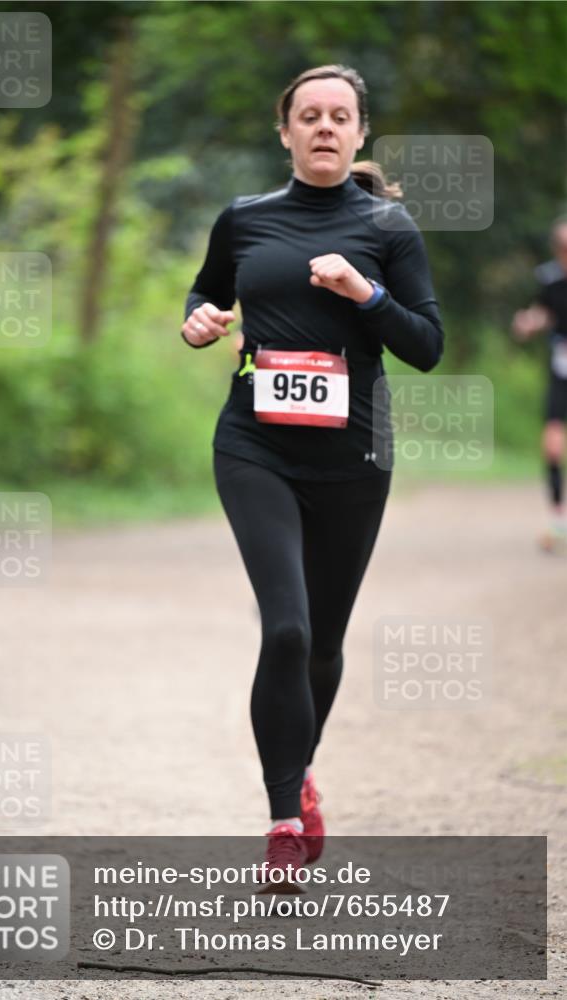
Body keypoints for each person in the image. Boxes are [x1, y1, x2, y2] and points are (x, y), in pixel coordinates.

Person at [181, 64, 444, 889]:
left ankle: (299, 774)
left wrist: (363, 292)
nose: (324, 126)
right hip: (254, 445)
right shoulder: (245, 218)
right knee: (286, 630)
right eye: (309, 115)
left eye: (339, 116)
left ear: (359, 134)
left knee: (322, 642)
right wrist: (198, 320)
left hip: (353, 458)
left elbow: (425, 346)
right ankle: (283, 820)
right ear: (285, 130)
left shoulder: (387, 227)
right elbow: (205, 291)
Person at [512, 216, 567, 554]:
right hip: (561, 368)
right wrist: (529, 322)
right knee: (551, 443)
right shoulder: (550, 280)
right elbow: (543, 313)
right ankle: (557, 517)